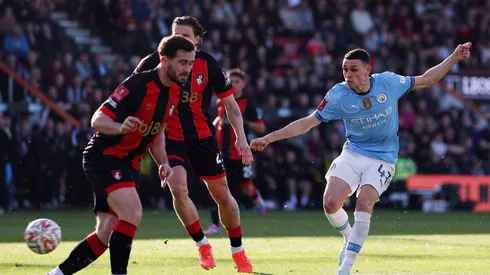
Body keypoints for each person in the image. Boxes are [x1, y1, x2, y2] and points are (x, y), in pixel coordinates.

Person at [251, 43, 472, 275]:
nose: (348, 74)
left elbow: (427, 79)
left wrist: (454, 58)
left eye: (354, 69)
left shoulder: (388, 82)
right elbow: (307, 122)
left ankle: (345, 267)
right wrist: (268, 138)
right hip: (353, 152)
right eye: (345, 69)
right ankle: (348, 236)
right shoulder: (337, 95)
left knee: (364, 201)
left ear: (368, 70)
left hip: (383, 159)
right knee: (330, 203)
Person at [47, 34, 196, 275]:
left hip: (129, 163)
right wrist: (119, 127)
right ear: (164, 60)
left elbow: (157, 132)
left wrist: (164, 162)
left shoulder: (176, 92)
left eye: (191, 63)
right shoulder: (137, 85)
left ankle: (56, 274)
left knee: (105, 234)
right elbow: (97, 119)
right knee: (133, 212)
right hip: (104, 155)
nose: (187, 69)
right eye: (182, 62)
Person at [134, 16, 254, 272]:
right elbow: (131, 91)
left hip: (202, 137)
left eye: (186, 36)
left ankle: (238, 251)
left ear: (197, 39)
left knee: (223, 196)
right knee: (178, 188)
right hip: (170, 138)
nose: (180, 40)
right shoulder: (156, 60)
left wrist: (241, 139)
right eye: (176, 35)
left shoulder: (208, 63)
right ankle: (202, 244)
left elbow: (231, 106)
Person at [204, 69, 266, 235]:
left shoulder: (249, 104)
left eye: (237, 81)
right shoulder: (221, 102)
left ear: (243, 85)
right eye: (231, 81)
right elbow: (219, 121)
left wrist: (241, 121)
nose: (233, 84)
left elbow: (261, 127)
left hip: (240, 154)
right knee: (216, 187)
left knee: (246, 188)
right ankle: (215, 225)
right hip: (221, 153)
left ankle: (255, 198)